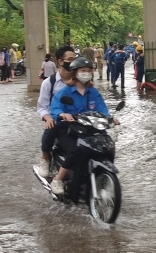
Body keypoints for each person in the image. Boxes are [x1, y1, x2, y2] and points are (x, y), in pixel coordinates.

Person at [48, 57, 119, 196]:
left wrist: (111, 118)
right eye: (83, 71)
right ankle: (58, 179)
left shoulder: (93, 92)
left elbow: (102, 109)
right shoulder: (65, 92)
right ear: (75, 73)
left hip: (89, 128)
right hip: (68, 129)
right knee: (77, 150)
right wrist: (63, 114)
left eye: (88, 71)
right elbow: (55, 108)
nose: (86, 73)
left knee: (106, 146)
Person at [36, 46, 78, 178]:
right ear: (60, 61)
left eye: (75, 59)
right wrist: (48, 118)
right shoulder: (49, 83)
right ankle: (45, 158)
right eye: (70, 59)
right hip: (57, 119)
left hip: (77, 119)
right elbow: (42, 107)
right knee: (52, 125)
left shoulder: (81, 82)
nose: (73, 62)